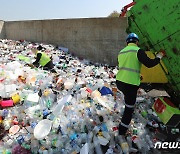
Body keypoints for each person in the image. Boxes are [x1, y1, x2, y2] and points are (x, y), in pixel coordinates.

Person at [116, 33, 165, 136]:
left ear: (127, 42)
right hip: (130, 85)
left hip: (120, 82)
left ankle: (125, 113)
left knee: (127, 99)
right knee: (129, 108)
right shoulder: (138, 50)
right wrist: (159, 56)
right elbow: (150, 64)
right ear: (137, 42)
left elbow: (126, 67)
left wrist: (138, 76)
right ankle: (122, 131)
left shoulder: (121, 52)